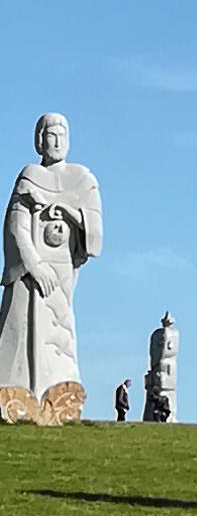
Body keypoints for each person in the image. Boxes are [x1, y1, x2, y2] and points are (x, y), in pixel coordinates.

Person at [0, 114, 102, 422]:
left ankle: (58, 395)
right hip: (30, 274)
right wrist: (33, 264)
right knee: (20, 330)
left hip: (62, 270)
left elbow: (95, 232)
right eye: (49, 136)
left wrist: (71, 213)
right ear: (39, 141)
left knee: (60, 332)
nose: (55, 142)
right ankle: (15, 394)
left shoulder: (82, 179)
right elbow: (16, 227)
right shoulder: (30, 175)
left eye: (60, 135)